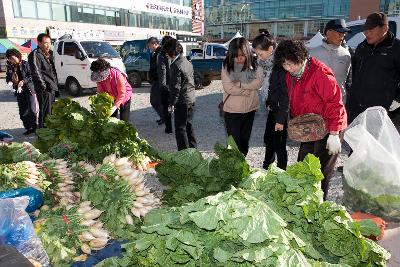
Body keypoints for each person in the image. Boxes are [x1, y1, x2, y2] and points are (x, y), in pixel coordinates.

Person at [274, 40, 347, 200]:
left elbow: (335, 103)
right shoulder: (291, 75)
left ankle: (319, 206)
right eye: (284, 64)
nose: (288, 68)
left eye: (290, 63)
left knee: (320, 171)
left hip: (329, 125)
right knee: (303, 165)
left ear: (300, 57)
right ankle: (305, 201)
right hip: (310, 125)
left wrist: (334, 134)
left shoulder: (320, 73)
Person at [348, 12, 400, 124]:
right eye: (365, 30)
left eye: (370, 30)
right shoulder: (362, 47)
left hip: (379, 111)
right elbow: (354, 74)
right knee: (354, 140)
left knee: (374, 141)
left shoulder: (396, 49)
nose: (366, 34)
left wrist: (397, 99)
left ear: (385, 28)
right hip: (355, 109)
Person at [252, 33, 289, 169]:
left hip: (281, 109)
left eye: (260, 54)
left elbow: (284, 92)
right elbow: (266, 87)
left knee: (279, 142)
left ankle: (281, 170)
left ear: (270, 49)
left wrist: (281, 117)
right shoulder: (264, 63)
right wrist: (268, 102)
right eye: (257, 54)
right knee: (269, 138)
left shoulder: (281, 64)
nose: (258, 57)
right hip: (272, 106)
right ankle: (267, 164)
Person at [221, 37, 263, 156]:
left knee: (244, 141)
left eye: (242, 55)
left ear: (248, 53)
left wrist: (241, 85)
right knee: (234, 143)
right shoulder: (226, 65)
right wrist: (244, 91)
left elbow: (258, 82)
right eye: (236, 55)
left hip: (250, 108)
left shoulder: (255, 63)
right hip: (232, 110)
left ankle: (242, 163)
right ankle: (232, 166)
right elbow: (228, 87)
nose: (239, 59)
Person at [163, 38, 197, 150]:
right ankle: (193, 150)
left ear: (171, 52)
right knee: (189, 126)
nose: (166, 55)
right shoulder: (187, 62)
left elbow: (175, 88)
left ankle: (184, 155)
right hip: (191, 98)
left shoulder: (175, 65)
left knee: (180, 129)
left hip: (182, 101)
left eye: (167, 52)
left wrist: (172, 103)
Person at [309, 19, 352, 103]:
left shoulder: (346, 54)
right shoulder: (313, 53)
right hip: (317, 101)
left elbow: (348, 80)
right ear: (328, 33)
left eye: (343, 34)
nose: (342, 37)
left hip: (339, 102)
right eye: (339, 33)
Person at [28, 33, 58, 128]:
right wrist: (44, 87)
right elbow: (36, 72)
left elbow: (52, 71)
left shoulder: (49, 54)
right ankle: (43, 132)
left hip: (51, 87)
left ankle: (50, 130)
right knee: (45, 111)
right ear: (39, 43)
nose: (48, 45)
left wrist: (55, 85)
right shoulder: (35, 54)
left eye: (49, 43)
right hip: (44, 89)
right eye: (45, 43)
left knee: (51, 110)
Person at [6, 49, 38, 135]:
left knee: (32, 110)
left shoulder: (26, 64)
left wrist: (23, 81)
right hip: (19, 91)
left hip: (29, 89)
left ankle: (36, 128)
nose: (11, 61)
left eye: (12, 58)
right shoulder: (10, 67)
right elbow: (8, 78)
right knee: (23, 110)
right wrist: (10, 82)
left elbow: (32, 76)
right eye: (9, 59)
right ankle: (28, 128)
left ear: (18, 56)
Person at [90, 58, 133, 122]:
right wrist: (100, 104)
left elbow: (121, 94)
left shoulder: (118, 76)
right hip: (111, 97)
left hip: (124, 96)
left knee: (124, 120)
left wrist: (115, 107)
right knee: (111, 119)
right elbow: (100, 92)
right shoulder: (99, 78)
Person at [158, 35, 174, 134]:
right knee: (178, 106)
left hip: (167, 86)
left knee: (166, 107)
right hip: (177, 84)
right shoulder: (176, 53)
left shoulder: (162, 55)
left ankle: (169, 128)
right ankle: (180, 126)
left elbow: (162, 71)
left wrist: (163, 86)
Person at [147, 37, 164, 125]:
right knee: (158, 101)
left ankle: (164, 116)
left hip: (159, 81)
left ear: (154, 44)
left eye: (150, 46)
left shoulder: (160, 53)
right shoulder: (155, 53)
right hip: (156, 80)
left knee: (154, 101)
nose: (149, 48)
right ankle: (163, 117)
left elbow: (161, 68)